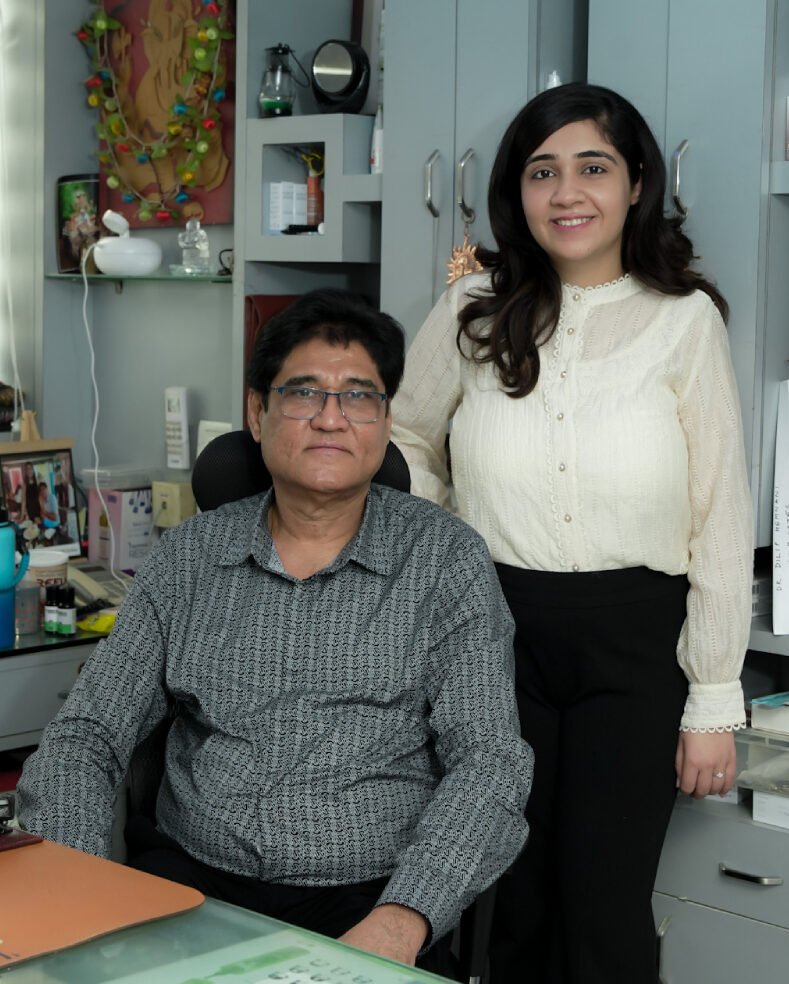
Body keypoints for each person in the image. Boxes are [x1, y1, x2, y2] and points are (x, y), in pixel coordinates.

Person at [18, 288, 533, 974]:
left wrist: (404, 919)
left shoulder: (445, 561)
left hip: (370, 899)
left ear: (383, 423)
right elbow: (88, 734)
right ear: (257, 413)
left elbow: (489, 762)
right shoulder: (189, 555)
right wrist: (80, 889)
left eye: (358, 396)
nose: (330, 418)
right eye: (304, 393)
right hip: (187, 888)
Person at [390, 83, 753, 983]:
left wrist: (712, 696)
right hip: (494, 632)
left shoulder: (683, 320)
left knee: (603, 904)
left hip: (635, 642)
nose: (566, 193)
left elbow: (718, 509)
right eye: (541, 172)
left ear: (636, 184)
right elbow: (403, 434)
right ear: (514, 192)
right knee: (509, 895)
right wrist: (443, 535)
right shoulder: (474, 305)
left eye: (592, 168)